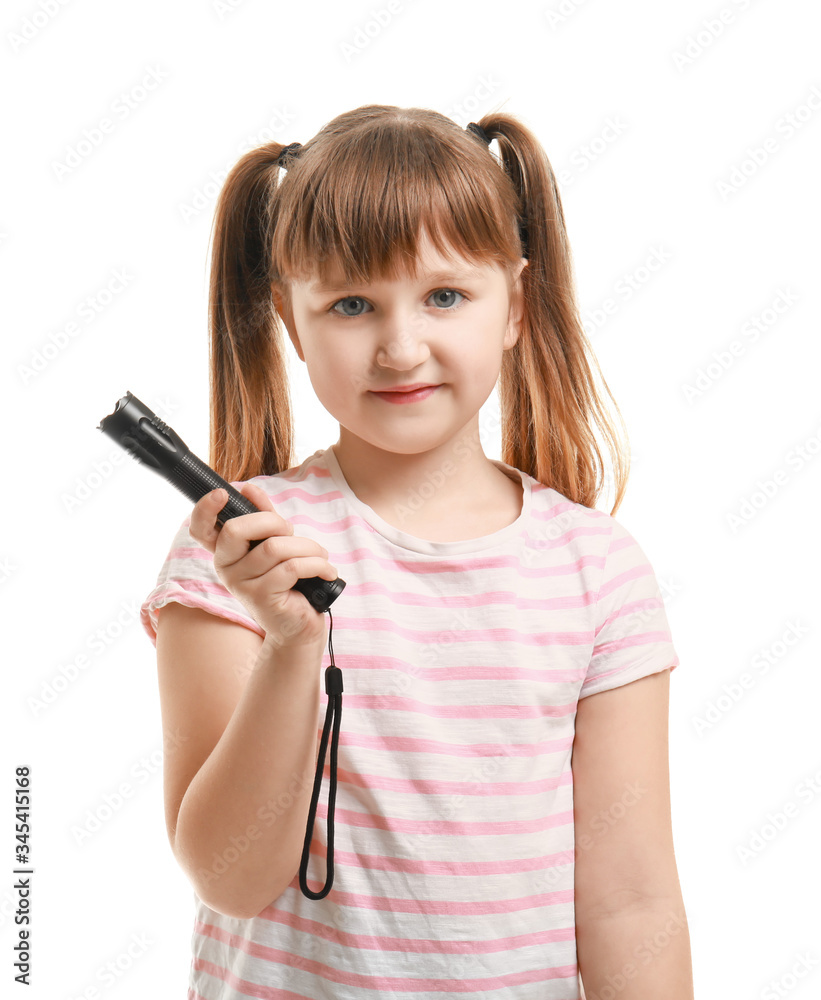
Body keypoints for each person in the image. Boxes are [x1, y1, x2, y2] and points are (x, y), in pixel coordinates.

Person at [140, 104, 694, 999]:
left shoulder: (598, 570)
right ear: (290, 321)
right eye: (352, 305)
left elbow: (630, 900)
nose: (401, 348)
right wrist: (290, 646)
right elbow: (229, 878)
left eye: (444, 296)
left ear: (514, 304)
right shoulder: (241, 555)